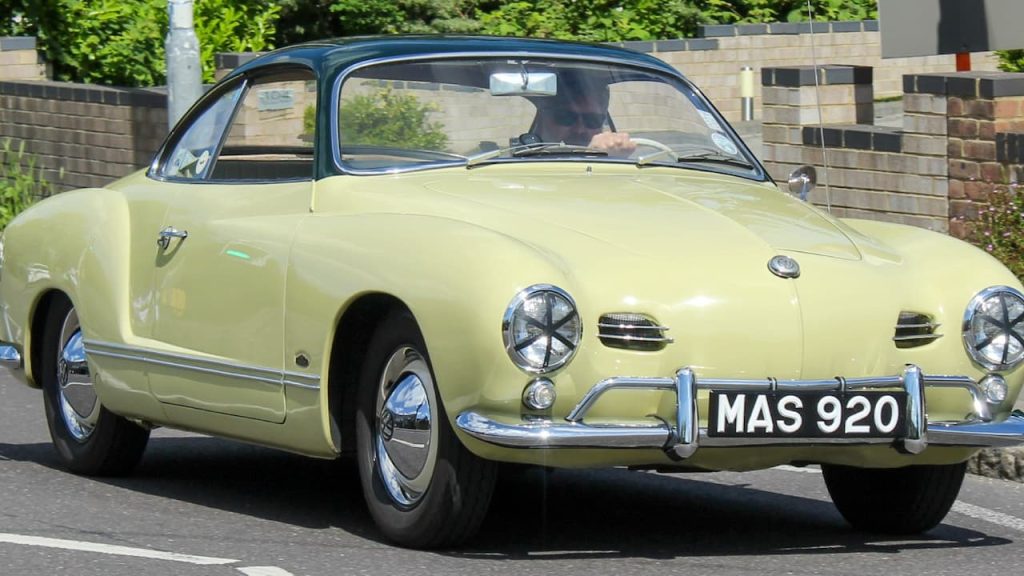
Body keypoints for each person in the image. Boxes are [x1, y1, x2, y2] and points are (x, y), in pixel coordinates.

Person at [531, 73, 636, 157]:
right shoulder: (525, 159)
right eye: (566, 118)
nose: (580, 130)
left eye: (592, 120)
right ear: (544, 117)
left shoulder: (614, 157)